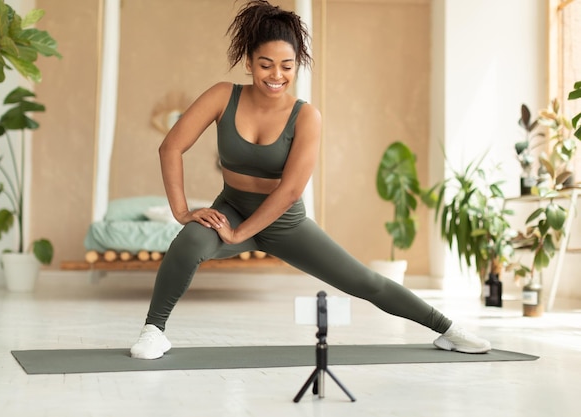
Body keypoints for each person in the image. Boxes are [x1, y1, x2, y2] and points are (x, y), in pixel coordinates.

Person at [130, 0, 491, 360]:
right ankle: (154, 331)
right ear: (249, 63)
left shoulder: (306, 117)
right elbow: (171, 147)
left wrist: (240, 234)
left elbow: (289, 191)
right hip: (233, 208)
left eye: (287, 66)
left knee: (364, 281)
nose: (276, 75)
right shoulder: (224, 96)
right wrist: (182, 212)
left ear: (296, 65)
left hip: (285, 222)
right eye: (266, 65)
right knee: (190, 241)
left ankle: (447, 329)